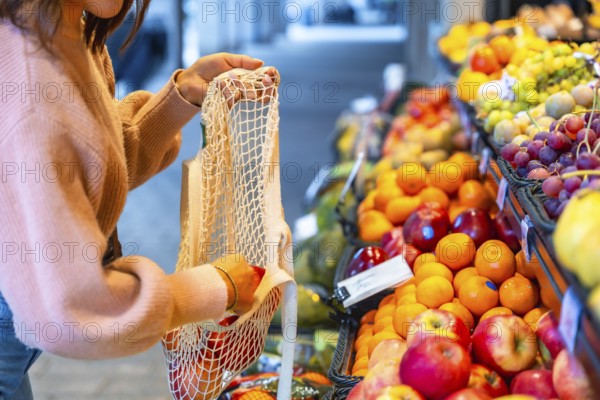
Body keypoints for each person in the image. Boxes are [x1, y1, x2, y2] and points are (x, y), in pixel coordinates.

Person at [0, 0, 274, 398]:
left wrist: (182, 95)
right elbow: (68, 313)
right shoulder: (31, 81)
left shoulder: (67, 25)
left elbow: (86, 168)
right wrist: (217, 288)